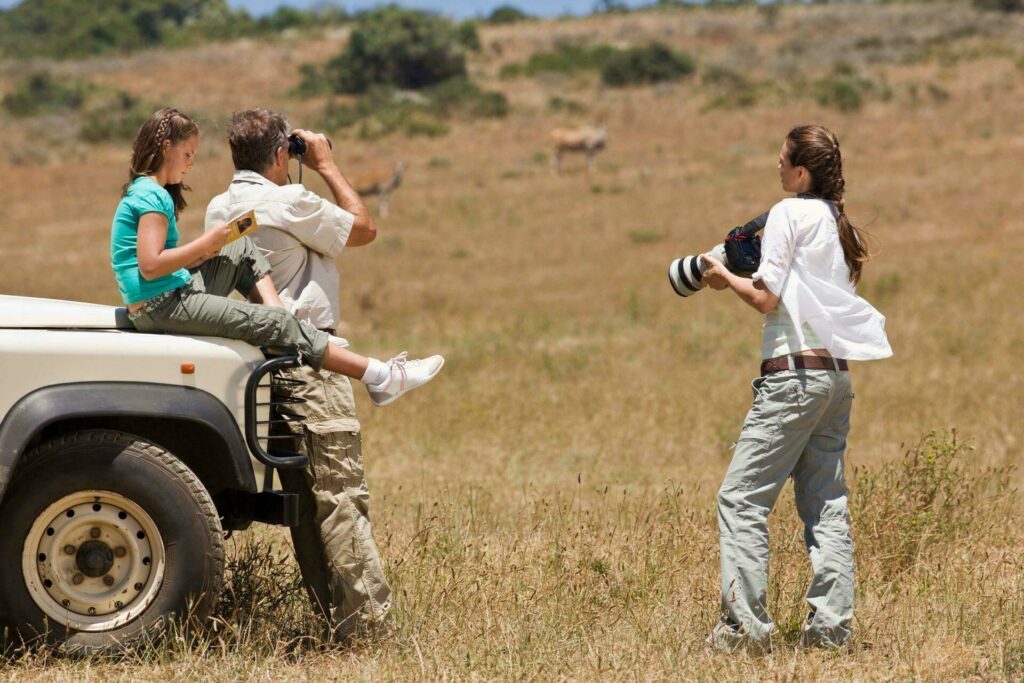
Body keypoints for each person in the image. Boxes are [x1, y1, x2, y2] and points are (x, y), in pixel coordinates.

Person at [204, 108, 397, 640]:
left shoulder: (221, 206)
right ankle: (369, 629)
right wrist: (329, 167)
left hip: (258, 362)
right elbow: (363, 229)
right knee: (340, 494)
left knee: (304, 502)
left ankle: (330, 618)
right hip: (313, 361)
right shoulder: (288, 199)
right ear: (278, 153)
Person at [699, 124, 892, 652]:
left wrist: (722, 275)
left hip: (792, 376)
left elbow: (766, 298)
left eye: (783, 160)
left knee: (740, 501)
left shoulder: (789, 212)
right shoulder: (838, 221)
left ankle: (743, 634)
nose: (777, 168)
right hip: (835, 378)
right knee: (826, 505)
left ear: (801, 172)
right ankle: (830, 630)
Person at [110, 107, 444, 409]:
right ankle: (382, 377)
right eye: (187, 154)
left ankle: (291, 327)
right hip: (162, 302)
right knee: (277, 321)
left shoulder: (179, 197)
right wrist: (325, 164)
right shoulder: (154, 196)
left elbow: (149, 265)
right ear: (166, 147)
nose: (190, 163)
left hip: (159, 298)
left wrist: (203, 254)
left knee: (239, 247)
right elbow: (150, 266)